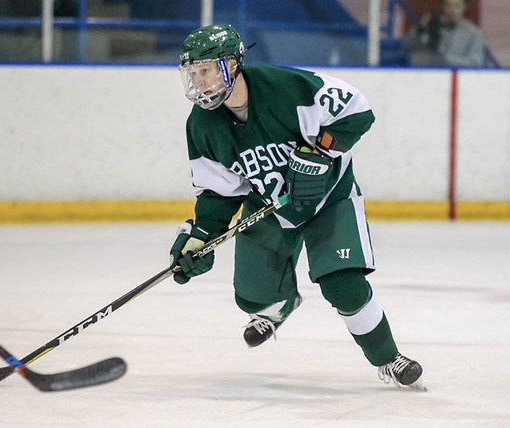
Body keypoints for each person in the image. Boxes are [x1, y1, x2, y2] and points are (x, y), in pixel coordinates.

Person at [168, 23, 426, 391]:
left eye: (206, 70)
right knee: (251, 298)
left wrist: (320, 151)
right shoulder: (203, 126)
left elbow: (357, 110)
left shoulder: (286, 87)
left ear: (231, 65)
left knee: (345, 286)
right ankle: (281, 305)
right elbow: (219, 193)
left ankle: (389, 359)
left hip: (329, 197)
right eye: (193, 73)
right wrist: (201, 238)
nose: (199, 81)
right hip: (272, 207)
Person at [405, 0, 486, 67]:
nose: (452, 10)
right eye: (448, 5)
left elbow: (475, 63)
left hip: (459, 78)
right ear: (443, 6)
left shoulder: (474, 34)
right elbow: (408, 48)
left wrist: (445, 59)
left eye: (457, 6)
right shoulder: (433, 25)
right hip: (429, 75)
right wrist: (420, 29)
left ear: (464, 7)